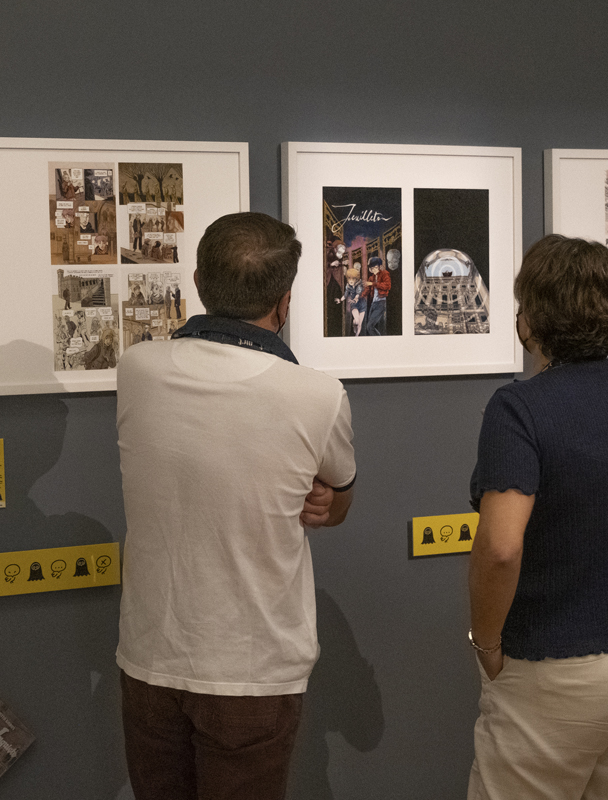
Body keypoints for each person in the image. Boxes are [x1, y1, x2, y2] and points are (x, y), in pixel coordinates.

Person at [116, 211, 357, 800]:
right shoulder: (317, 395)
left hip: (150, 659)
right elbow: (336, 499)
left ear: (198, 283)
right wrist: (322, 496)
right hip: (254, 670)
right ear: (285, 300)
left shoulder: (136, 369)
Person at [467, 235, 608, 800]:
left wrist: (486, 643)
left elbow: (500, 546)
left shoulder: (519, 408)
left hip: (560, 670)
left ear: (532, 318)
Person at [362, 255, 391, 336]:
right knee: (369, 327)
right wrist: (359, 297)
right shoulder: (371, 278)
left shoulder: (385, 274)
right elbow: (367, 290)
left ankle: (379, 341)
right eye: (371, 268)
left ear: (380, 267)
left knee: (370, 326)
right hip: (373, 303)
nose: (373, 270)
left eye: (375, 267)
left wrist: (373, 283)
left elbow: (387, 286)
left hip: (381, 303)